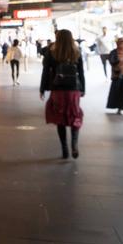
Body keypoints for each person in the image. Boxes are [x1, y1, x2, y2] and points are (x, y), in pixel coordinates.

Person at [40, 29, 85, 159]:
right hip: (73, 90)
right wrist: (83, 88)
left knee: (60, 118)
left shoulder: (52, 52)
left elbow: (45, 71)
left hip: (57, 89)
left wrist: (42, 89)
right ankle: (74, 145)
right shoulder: (76, 52)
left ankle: (64, 149)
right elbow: (81, 72)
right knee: (74, 115)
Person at [106, 37, 123, 116]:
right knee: (118, 91)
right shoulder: (113, 52)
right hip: (117, 74)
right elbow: (111, 61)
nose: (122, 45)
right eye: (120, 43)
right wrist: (119, 61)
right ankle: (119, 108)